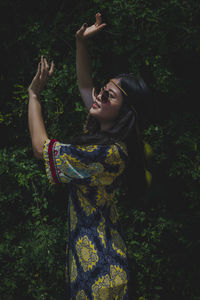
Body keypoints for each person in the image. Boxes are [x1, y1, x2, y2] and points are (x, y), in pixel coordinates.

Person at [28, 12, 151, 300]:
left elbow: (41, 148)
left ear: (124, 112)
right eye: (102, 90)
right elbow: (85, 86)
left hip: (99, 276)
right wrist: (81, 44)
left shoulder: (104, 153)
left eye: (109, 96)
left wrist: (34, 96)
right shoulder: (110, 141)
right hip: (99, 269)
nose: (98, 96)